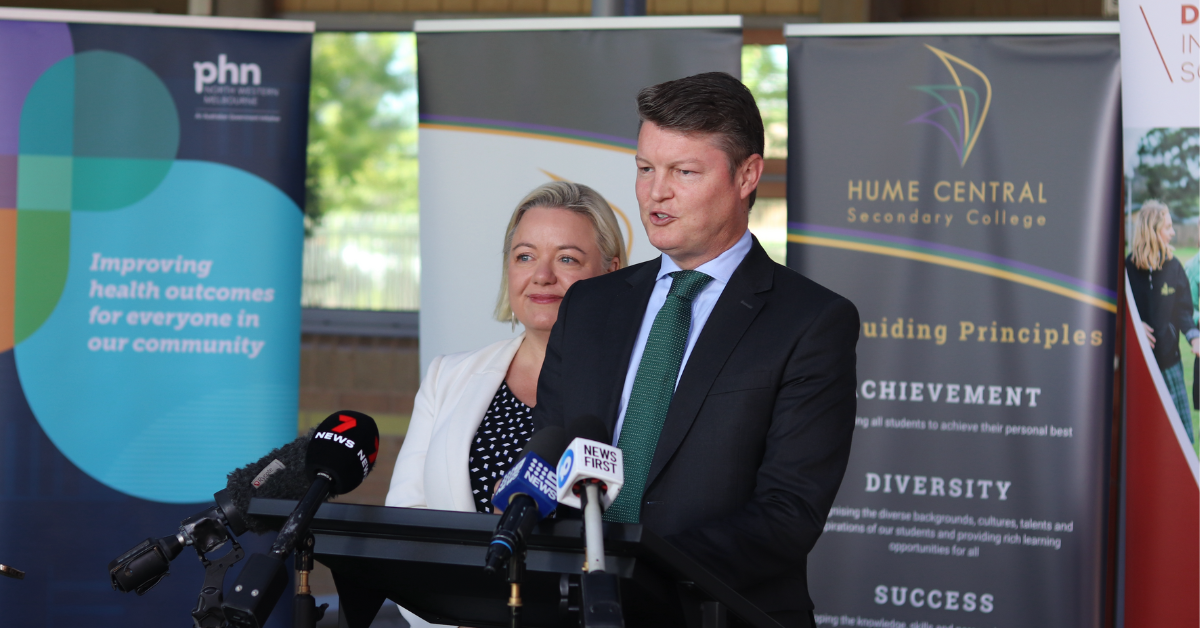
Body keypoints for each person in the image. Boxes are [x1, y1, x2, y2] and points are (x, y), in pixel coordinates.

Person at [533, 72, 859, 628]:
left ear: (747, 175)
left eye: (684, 172)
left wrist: (635, 571)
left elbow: (788, 513)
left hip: (720, 613)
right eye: (644, 168)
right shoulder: (588, 305)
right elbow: (552, 461)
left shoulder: (811, 322)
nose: (655, 192)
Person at [1126, 200, 1199, 443]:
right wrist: (1133, 327)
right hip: (1137, 366)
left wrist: (1194, 337)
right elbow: (1117, 312)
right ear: (1152, 230)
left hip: (1170, 363)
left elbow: (1183, 311)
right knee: (1141, 436)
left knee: (1182, 438)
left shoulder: (1174, 267)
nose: (1173, 232)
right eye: (1168, 227)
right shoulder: (1125, 269)